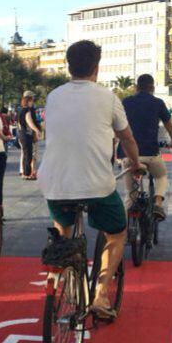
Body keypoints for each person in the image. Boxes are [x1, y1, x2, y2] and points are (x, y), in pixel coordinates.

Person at [37, 40, 143, 320]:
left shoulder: (53, 96)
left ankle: (69, 281)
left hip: (54, 184)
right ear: (97, 67)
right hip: (97, 185)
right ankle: (100, 294)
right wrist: (135, 162)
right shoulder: (108, 97)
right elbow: (127, 138)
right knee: (116, 234)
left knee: (64, 231)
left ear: (68, 66)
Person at [117, 73, 172, 220]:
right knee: (162, 175)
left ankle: (124, 232)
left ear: (136, 87)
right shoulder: (158, 103)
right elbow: (169, 127)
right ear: (152, 88)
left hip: (128, 155)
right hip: (150, 154)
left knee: (130, 195)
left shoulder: (125, 102)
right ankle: (157, 203)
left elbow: (116, 126)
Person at [19, 90, 42, 179]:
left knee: (26, 154)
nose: (33, 102)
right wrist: (37, 130)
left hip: (22, 134)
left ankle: (25, 172)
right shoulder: (27, 110)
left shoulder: (21, 110)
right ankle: (27, 173)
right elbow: (30, 122)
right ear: (28, 100)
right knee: (28, 155)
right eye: (32, 100)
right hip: (26, 134)